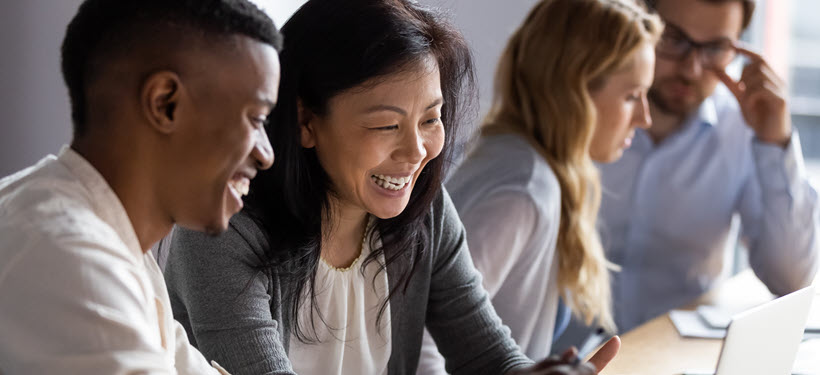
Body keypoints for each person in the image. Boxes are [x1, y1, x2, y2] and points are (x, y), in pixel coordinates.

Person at [162, 0, 619, 374]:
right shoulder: (224, 227)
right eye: (386, 125)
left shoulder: (427, 210)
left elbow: (487, 357)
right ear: (305, 121)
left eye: (431, 119)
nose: (417, 151)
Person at [0, 0, 281, 373]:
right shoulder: (71, 259)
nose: (266, 154)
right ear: (165, 103)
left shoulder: (114, 243)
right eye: (256, 119)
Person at [416, 0, 662, 373]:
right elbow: (421, 341)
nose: (644, 117)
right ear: (575, 91)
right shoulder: (523, 192)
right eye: (631, 96)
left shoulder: (524, 160)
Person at [597, 0, 819, 331]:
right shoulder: (582, 112)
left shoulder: (743, 129)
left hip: (675, 352)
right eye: (672, 39)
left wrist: (775, 142)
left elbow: (791, 279)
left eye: (715, 48)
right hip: (564, 355)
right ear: (639, 23)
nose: (691, 69)